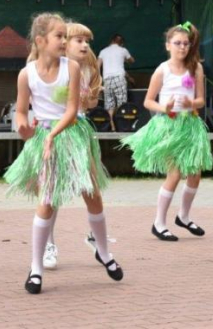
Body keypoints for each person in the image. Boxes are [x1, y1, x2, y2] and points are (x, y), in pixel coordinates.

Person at [3, 13, 122, 295]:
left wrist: (54, 134)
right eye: (60, 36)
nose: (65, 41)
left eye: (66, 37)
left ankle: (104, 252)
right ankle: (36, 268)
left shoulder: (72, 69)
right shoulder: (26, 74)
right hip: (44, 136)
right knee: (46, 200)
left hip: (71, 134)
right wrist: (22, 127)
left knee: (92, 193)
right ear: (40, 40)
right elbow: (21, 110)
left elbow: (71, 110)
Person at [120, 22, 213, 242]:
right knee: (175, 173)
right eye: (177, 43)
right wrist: (165, 108)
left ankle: (184, 216)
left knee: (195, 174)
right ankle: (159, 223)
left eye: (186, 43)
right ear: (168, 45)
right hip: (169, 125)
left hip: (190, 125)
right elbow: (148, 101)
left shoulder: (195, 68)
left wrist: (192, 102)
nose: (182, 47)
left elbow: (200, 99)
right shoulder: (162, 69)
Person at [64, 22, 117, 264]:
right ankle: (48, 246)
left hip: (80, 131)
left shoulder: (89, 69)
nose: (85, 45)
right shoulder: (57, 69)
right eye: (79, 40)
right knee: (52, 193)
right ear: (63, 43)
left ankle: (96, 238)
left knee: (92, 188)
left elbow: (91, 104)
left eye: (87, 41)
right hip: (59, 132)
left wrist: (89, 97)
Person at [98, 34, 135, 131]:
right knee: (121, 103)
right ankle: (122, 126)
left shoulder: (103, 51)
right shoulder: (123, 50)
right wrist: (126, 59)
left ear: (111, 41)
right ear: (121, 43)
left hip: (107, 80)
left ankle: (111, 126)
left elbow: (97, 66)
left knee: (109, 104)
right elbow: (132, 60)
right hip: (119, 78)